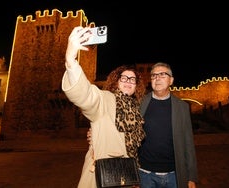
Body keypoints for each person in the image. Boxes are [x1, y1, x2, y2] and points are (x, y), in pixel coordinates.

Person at [61, 26, 146, 188]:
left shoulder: (136, 110)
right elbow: (86, 95)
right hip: (103, 176)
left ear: (137, 86)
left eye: (133, 79)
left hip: (127, 176)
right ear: (116, 81)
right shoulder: (106, 99)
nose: (128, 81)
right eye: (124, 78)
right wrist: (70, 59)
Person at [138, 62, 198, 188]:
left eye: (162, 75)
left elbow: (188, 142)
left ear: (171, 80)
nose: (157, 78)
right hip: (145, 174)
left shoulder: (182, 107)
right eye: (153, 75)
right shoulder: (140, 103)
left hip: (174, 175)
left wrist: (191, 176)